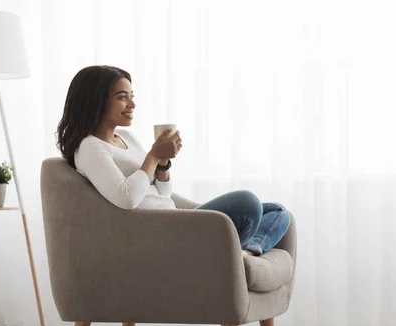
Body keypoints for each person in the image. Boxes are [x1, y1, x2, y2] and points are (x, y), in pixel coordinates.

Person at [56, 65, 290, 256]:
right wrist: (153, 155)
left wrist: (163, 165)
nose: (132, 104)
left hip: (174, 219)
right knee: (247, 201)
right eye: (122, 97)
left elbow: (163, 195)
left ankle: (247, 252)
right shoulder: (90, 147)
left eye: (132, 96)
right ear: (96, 101)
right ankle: (236, 256)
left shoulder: (126, 137)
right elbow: (126, 198)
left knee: (276, 211)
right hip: (162, 232)